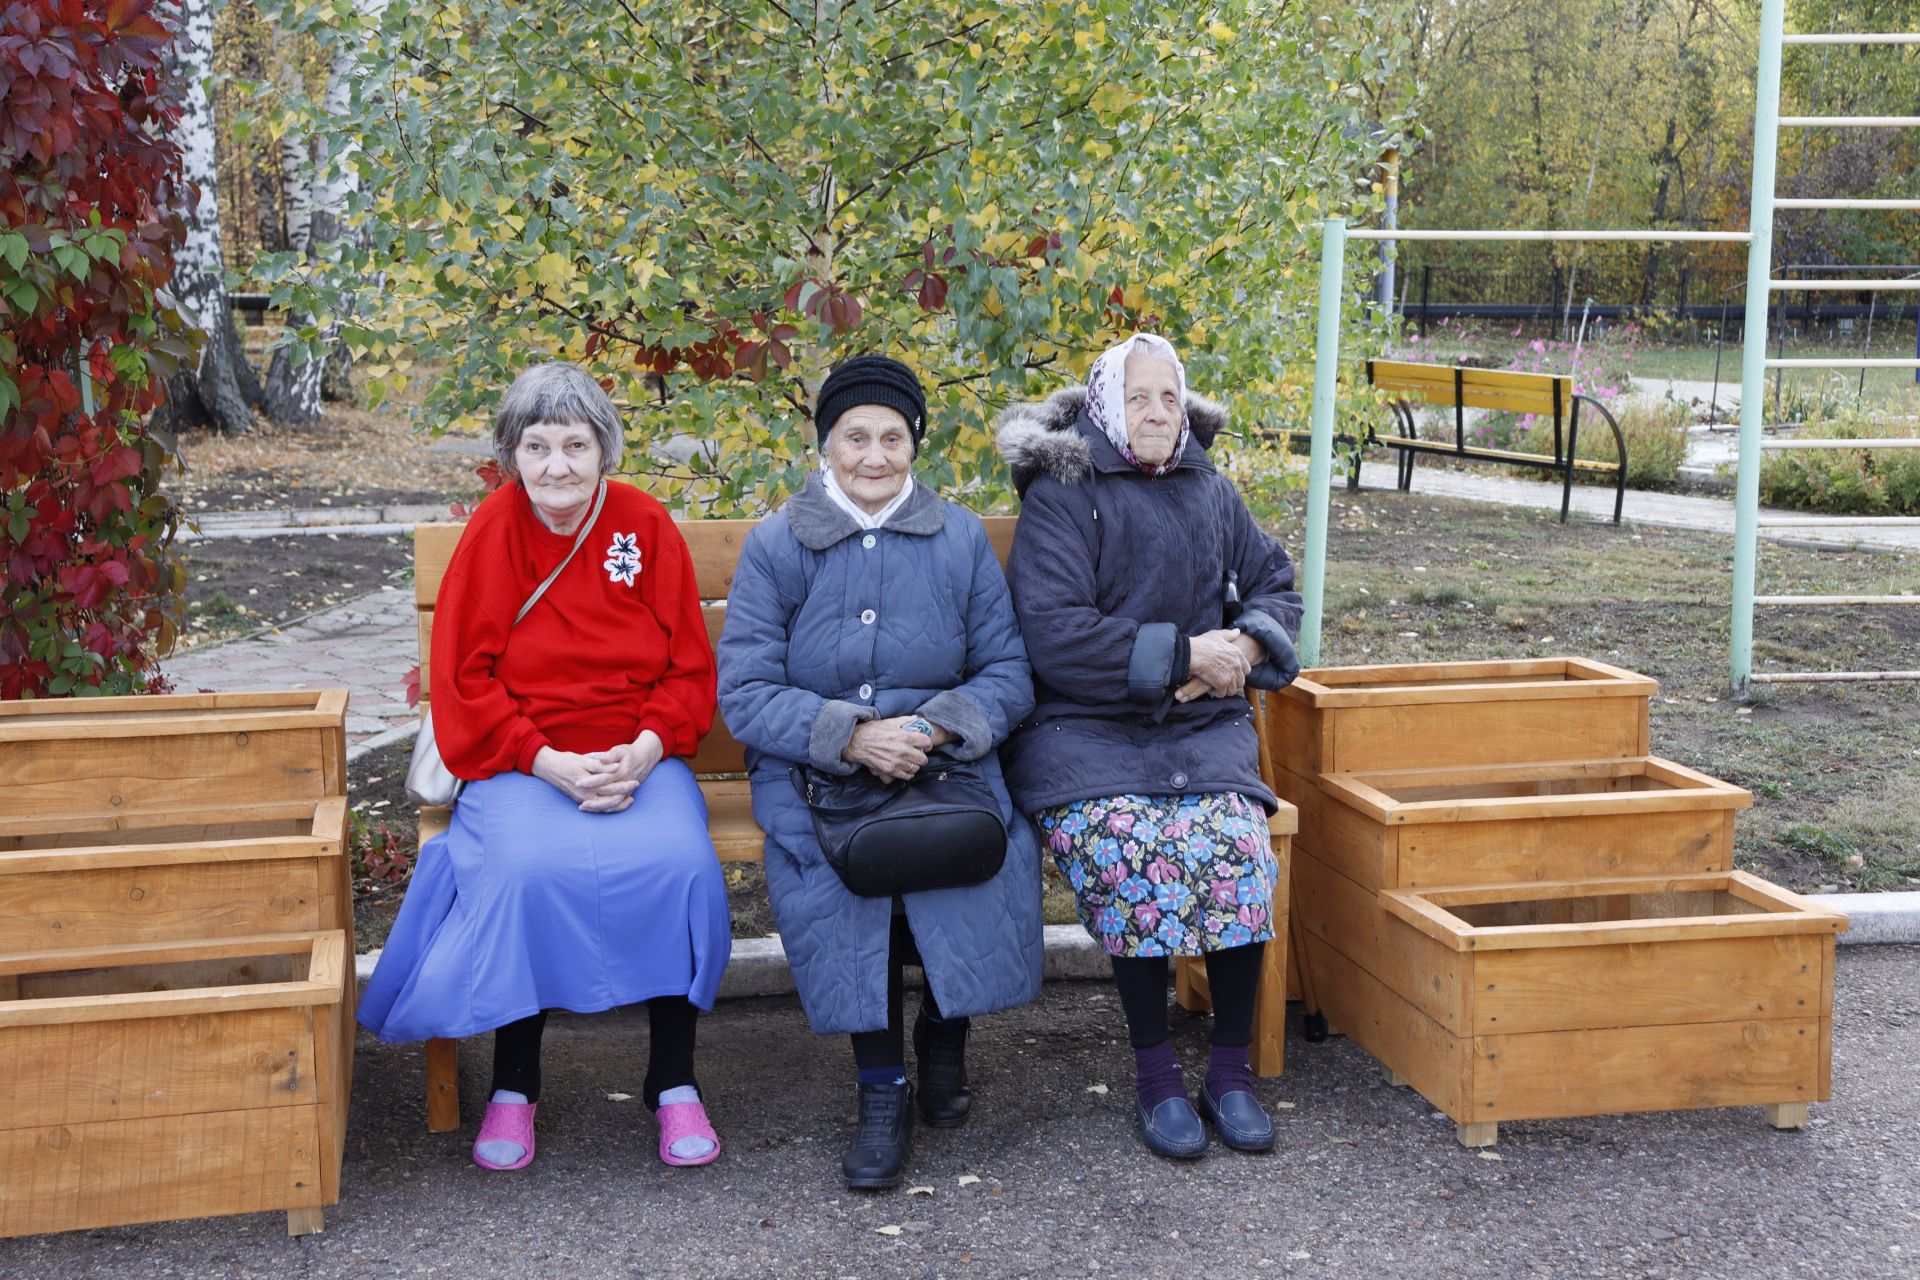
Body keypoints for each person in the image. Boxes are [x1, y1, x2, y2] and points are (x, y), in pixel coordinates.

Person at [358, 361, 731, 1172]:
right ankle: (515, 1086)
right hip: (523, 759)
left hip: (637, 753)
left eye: (575, 443)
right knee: (523, 871)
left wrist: (646, 748)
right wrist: (548, 761)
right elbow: (464, 682)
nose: (556, 465)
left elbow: (688, 671)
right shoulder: (492, 534)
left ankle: (673, 1080)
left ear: (605, 450)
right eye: (537, 446)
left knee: (681, 866)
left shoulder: (644, 524)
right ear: (511, 453)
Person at [717, 354, 1043, 1191]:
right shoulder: (779, 542)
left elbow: (1006, 673)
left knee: (974, 854)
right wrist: (852, 735)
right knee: (836, 883)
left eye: (891, 437)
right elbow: (746, 692)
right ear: (824, 446)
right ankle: (880, 1088)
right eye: (854, 436)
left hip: (944, 764)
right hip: (814, 767)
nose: (873, 455)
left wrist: (931, 729)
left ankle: (943, 1030)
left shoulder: (959, 538)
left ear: (915, 445)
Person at [995, 333, 1302, 1160]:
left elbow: (1275, 582)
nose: (1159, 413)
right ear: (1104, 408)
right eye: (1139, 398)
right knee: (1137, 850)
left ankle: (1230, 1073)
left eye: (1170, 397)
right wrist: (1182, 657)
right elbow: (1055, 636)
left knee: (1237, 852)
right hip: (1084, 734)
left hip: (1202, 729)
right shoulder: (1063, 494)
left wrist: (1242, 648)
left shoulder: (1209, 487)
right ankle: (1159, 1075)